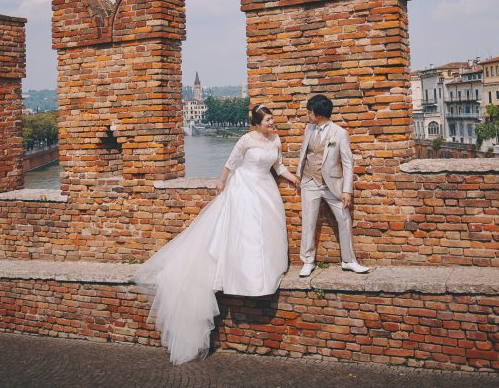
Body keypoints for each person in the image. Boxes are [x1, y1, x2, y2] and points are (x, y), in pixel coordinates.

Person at [134, 104, 300, 365]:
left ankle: (268, 275)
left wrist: (293, 179)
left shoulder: (276, 139)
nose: (272, 123)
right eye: (269, 120)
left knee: (267, 233)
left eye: (273, 119)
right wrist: (222, 182)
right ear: (257, 123)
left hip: (266, 190)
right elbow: (230, 163)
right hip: (244, 188)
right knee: (246, 236)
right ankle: (242, 278)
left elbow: (278, 167)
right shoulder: (246, 140)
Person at [295, 94, 370, 278]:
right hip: (309, 182)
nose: (307, 114)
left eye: (309, 111)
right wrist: (299, 175)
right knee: (309, 222)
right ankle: (308, 261)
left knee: (344, 218)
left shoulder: (339, 133)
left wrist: (347, 190)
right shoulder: (309, 128)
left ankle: (348, 261)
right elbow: (305, 152)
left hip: (333, 185)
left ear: (319, 113)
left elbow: (347, 163)